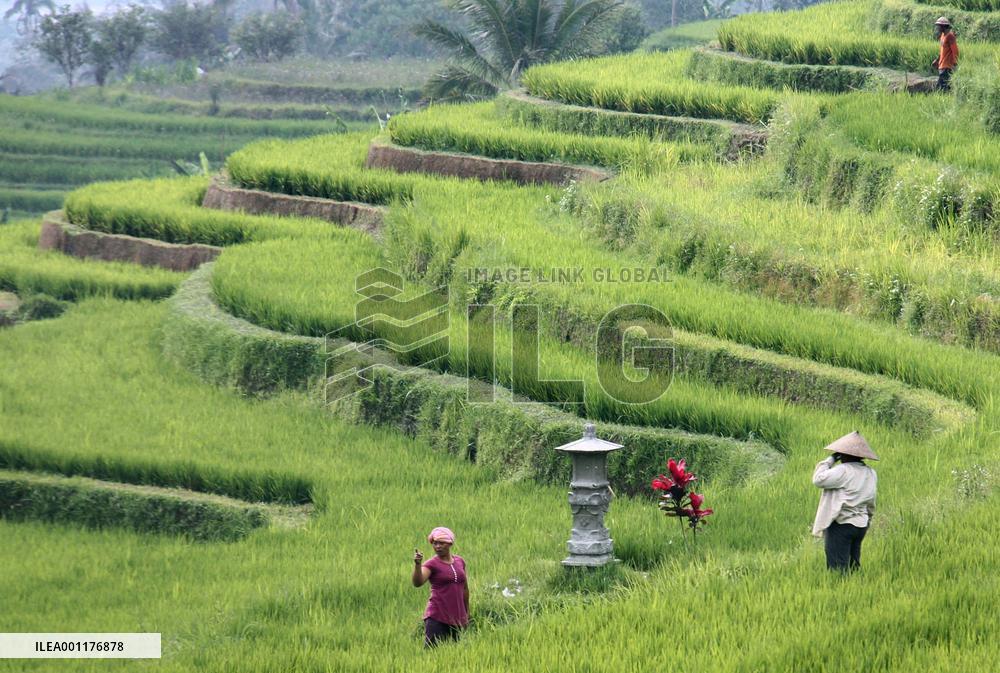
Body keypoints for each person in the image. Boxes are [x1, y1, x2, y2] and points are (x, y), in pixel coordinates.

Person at [812, 431, 878, 572]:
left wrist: (830, 459)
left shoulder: (843, 470)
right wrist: (868, 519)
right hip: (861, 524)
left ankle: (838, 590)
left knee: (838, 569)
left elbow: (818, 480)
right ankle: (855, 588)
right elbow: (871, 500)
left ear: (844, 454)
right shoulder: (870, 473)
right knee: (853, 565)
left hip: (842, 524)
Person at [411, 526, 469, 647]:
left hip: (457, 618)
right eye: (435, 543)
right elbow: (418, 582)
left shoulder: (460, 561)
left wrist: (466, 613)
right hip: (437, 617)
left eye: (441, 543)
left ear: (450, 543)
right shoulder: (432, 564)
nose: (437, 546)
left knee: (455, 654)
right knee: (432, 654)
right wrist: (417, 565)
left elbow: (464, 589)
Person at [932, 17, 959, 92]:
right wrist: (937, 60)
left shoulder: (950, 36)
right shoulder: (943, 36)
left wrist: (954, 64)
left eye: (939, 26)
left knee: (940, 88)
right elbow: (942, 51)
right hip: (942, 65)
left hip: (947, 66)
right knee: (945, 87)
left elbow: (955, 51)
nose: (938, 28)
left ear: (943, 27)